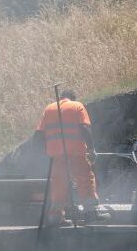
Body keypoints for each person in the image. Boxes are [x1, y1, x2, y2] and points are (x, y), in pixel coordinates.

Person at [34, 89, 103, 224]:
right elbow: (85, 128)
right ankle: (90, 214)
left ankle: (55, 217)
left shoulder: (49, 109)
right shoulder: (77, 106)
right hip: (76, 152)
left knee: (59, 184)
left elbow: (38, 135)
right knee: (84, 179)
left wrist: (45, 152)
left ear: (61, 97)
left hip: (56, 155)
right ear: (72, 98)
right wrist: (91, 148)